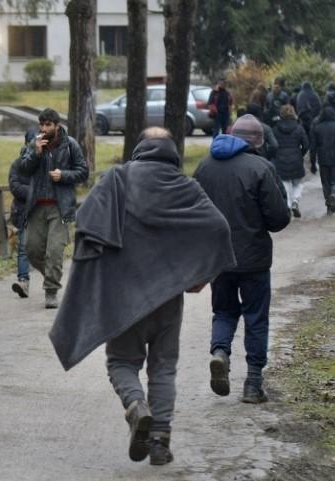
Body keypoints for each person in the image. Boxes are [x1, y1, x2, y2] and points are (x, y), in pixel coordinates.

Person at [49, 127, 235, 465]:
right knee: (163, 368)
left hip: (123, 298)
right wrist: (202, 276)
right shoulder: (186, 187)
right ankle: (160, 442)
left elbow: (86, 223)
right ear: (171, 152)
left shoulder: (116, 180)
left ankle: (136, 407)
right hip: (168, 299)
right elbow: (219, 228)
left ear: (139, 149)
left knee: (121, 362)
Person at [193, 114, 290, 405]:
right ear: (257, 143)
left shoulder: (204, 167)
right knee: (255, 318)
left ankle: (220, 353)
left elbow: (194, 212)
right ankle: (253, 384)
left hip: (218, 259)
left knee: (223, 312)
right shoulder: (261, 168)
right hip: (254, 260)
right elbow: (278, 219)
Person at [17, 108, 89, 308]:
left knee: (54, 251)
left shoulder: (70, 145)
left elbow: (83, 171)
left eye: (48, 124)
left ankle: (51, 291)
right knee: (31, 249)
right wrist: (36, 154)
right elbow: (22, 169)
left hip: (60, 206)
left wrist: (63, 175)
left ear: (57, 125)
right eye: (41, 124)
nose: (43, 128)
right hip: (37, 205)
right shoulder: (35, 144)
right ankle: (51, 276)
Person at [9, 126, 36, 298]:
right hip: (24, 211)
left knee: (47, 249)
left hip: (44, 211)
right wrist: (34, 192)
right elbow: (15, 186)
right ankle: (23, 281)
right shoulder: (18, 164)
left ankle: (51, 283)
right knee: (23, 247)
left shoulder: (46, 162)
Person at [272, 105, 309, 218]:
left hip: (281, 158)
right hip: (296, 158)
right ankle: (295, 202)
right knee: (298, 183)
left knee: (285, 183)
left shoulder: (275, 128)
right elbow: (306, 144)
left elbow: (273, 145)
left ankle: (287, 205)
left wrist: (275, 155)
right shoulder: (299, 128)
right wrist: (300, 154)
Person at [310, 106, 335, 215]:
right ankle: (334, 194)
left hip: (322, 159)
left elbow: (313, 147)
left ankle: (328, 202)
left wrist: (312, 163)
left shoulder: (317, 128)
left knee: (325, 182)